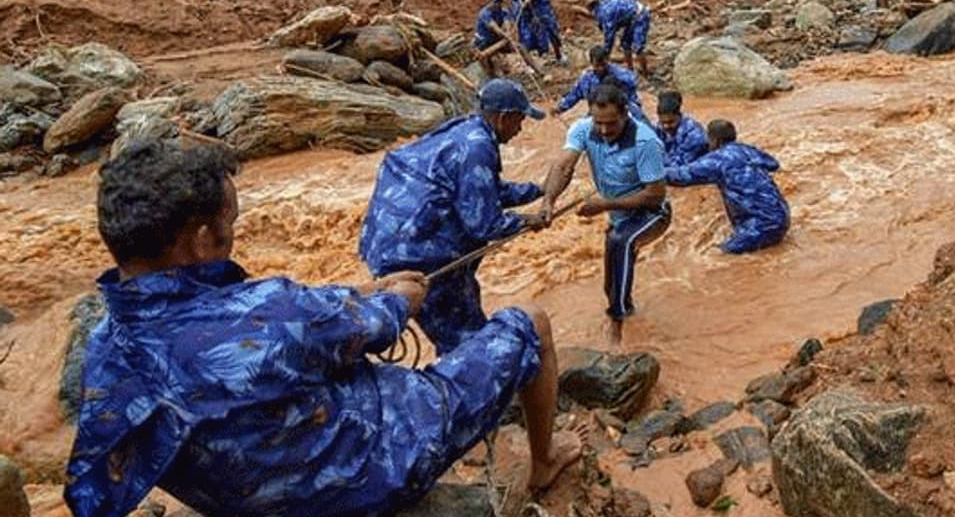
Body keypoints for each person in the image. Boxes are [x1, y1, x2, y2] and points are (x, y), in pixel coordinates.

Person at [65, 139, 581, 517]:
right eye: (232, 221)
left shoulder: (105, 349)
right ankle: (543, 462)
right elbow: (379, 323)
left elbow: (286, 321)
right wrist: (398, 297)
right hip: (366, 472)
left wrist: (360, 293)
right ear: (200, 240)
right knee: (528, 321)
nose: (233, 231)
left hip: (247, 496)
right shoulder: (275, 311)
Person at [359, 79, 547, 355]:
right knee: (466, 342)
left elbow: (483, 191)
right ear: (504, 117)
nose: (520, 130)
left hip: (385, 243)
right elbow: (483, 225)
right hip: (419, 257)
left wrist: (538, 190)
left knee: (463, 321)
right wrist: (529, 221)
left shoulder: (463, 130)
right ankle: (471, 391)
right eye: (519, 120)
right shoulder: (478, 147)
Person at [541, 84, 669, 344]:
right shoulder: (583, 128)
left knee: (621, 242)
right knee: (609, 279)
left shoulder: (645, 141)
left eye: (611, 124)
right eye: (598, 122)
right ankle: (623, 306)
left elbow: (655, 194)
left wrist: (605, 205)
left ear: (625, 114)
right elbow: (564, 166)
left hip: (652, 213)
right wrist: (548, 202)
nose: (603, 130)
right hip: (619, 215)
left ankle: (617, 320)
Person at [665, 119, 789, 254]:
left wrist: (648, 173)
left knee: (713, 256)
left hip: (761, 227)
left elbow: (680, 177)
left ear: (714, 140)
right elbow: (773, 164)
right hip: (782, 218)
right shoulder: (747, 150)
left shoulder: (717, 160)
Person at [553, 45, 647, 124]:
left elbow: (632, 92)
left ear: (607, 60)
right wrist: (561, 107)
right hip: (598, 112)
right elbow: (575, 94)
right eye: (597, 66)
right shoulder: (587, 79)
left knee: (641, 124)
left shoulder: (621, 76)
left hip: (623, 110)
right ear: (591, 63)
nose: (601, 68)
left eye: (603, 64)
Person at [587, 0, 651, 77]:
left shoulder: (604, 14)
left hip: (640, 16)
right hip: (631, 17)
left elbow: (609, 37)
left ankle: (645, 74)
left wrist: (605, 55)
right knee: (625, 44)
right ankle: (630, 71)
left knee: (638, 48)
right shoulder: (605, 2)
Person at [655, 90, 708, 168]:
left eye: (670, 122)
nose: (666, 126)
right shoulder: (659, 128)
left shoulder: (694, 135)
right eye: (663, 122)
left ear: (679, 116)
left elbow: (679, 164)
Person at [474, 0, 513, 76]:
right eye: (495, 2)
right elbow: (494, 27)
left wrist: (508, 32)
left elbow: (507, 23)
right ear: (490, 1)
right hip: (483, 42)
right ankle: (498, 79)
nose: (497, 4)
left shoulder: (503, 11)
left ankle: (538, 71)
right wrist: (506, 35)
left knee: (520, 47)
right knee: (494, 61)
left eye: (499, 2)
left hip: (495, 40)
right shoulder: (484, 13)